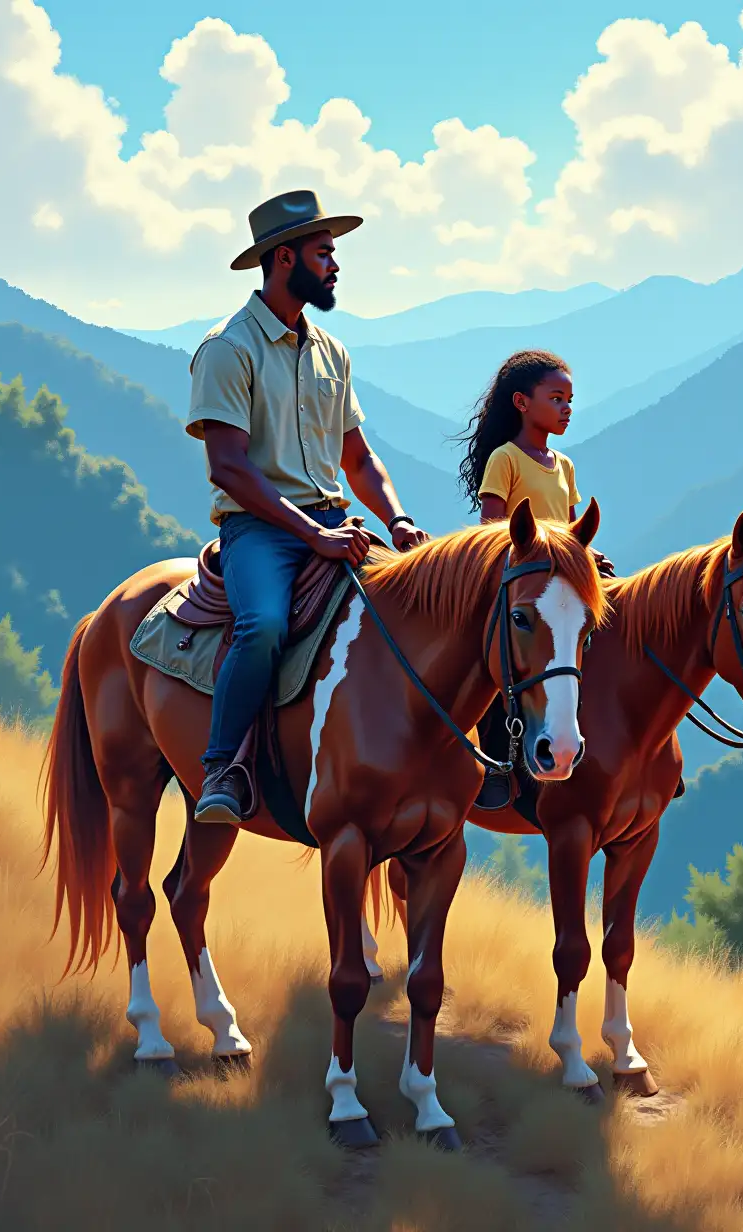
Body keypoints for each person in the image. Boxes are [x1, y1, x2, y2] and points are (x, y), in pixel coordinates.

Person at [186, 189, 430, 825]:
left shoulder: (332, 351)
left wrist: (397, 520)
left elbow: (359, 460)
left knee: (426, 611)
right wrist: (312, 536)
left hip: (336, 522)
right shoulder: (227, 348)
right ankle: (223, 769)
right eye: (324, 253)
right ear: (284, 257)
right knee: (261, 625)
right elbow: (229, 468)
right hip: (260, 531)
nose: (335, 266)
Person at [456, 351, 610, 810]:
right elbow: (490, 528)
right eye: (556, 398)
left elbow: (568, 527)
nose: (567, 408)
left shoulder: (563, 465)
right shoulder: (505, 459)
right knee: (496, 660)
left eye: (570, 400)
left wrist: (588, 555)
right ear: (522, 402)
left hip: (558, 585)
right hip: (519, 582)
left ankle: (626, 752)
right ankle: (494, 765)